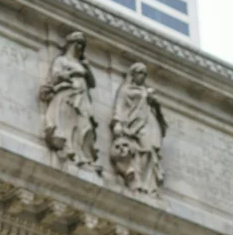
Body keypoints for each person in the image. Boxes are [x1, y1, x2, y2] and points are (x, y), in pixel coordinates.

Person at [40, 31, 99, 169]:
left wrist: (87, 68)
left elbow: (92, 83)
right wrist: (73, 73)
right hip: (68, 96)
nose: (79, 47)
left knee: (85, 126)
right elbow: (55, 76)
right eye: (77, 43)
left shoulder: (83, 64)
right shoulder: (61, 60)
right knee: (68, 124)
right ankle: (69, 151)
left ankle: (83, 155)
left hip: (82, 98)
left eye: (82, 45)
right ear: (70, 44)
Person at [110, 62, 167, 194]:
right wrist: (117, 122)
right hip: (134, 125)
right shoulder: (125, 89)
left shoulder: (145, 91)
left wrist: (155, 103)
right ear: (133, 74)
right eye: (140, 73)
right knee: (140, 150)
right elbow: (119, 106)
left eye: (145, 74)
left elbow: (157, 113)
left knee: (150, 151)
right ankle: (136, 178)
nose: (143, 76)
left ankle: (149, 185)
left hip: (149, 123)